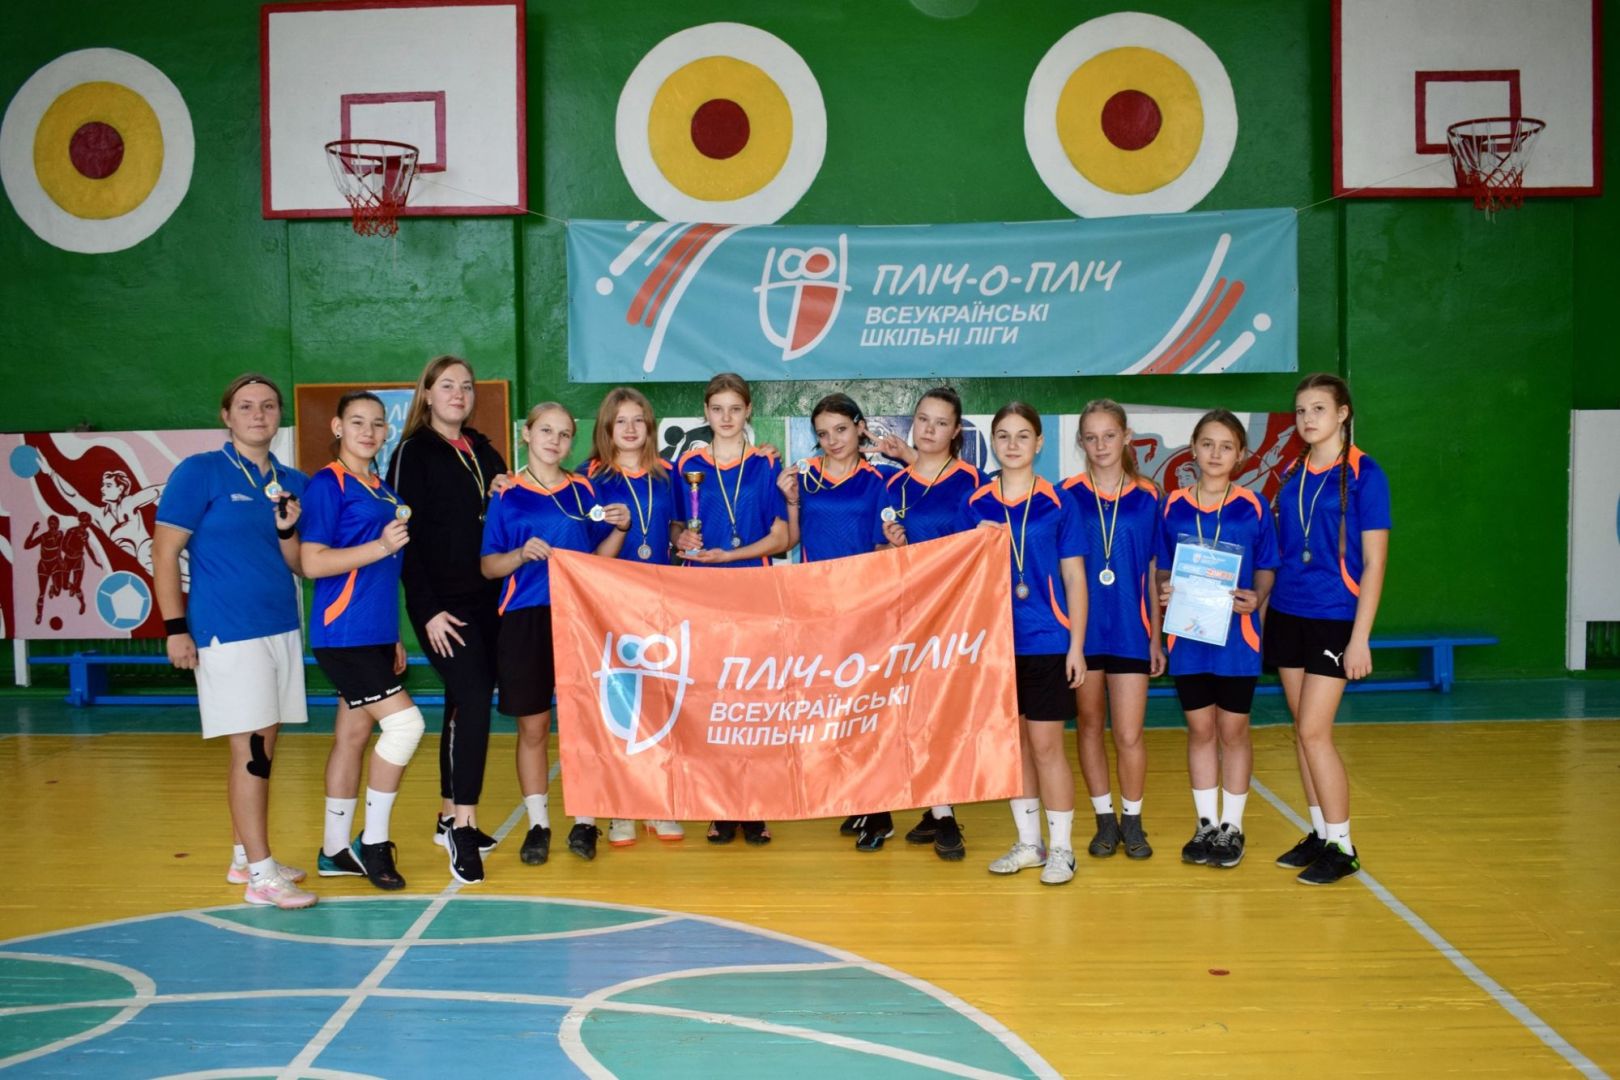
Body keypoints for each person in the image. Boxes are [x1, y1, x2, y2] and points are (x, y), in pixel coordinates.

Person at [153, 373, 316, 909]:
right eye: (246, 406)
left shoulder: (291, 481)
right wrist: (175, 628)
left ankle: (245, 856)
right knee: (251, 753)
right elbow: (163, 552)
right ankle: (262, 878)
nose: (258, 414)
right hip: (227, 632)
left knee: (261, 747)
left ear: (279, 416)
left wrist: (291, 529)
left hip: (280, 627)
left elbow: (302, 563)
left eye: (268, 405)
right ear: (226, 415)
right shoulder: (199, 472)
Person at [482, 403, 631, 866]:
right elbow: (489, 566)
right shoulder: (506, 494)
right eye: (546, 430)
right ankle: (538, 824)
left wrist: (622, 528)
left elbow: (598, 561)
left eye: (564, 434)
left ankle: (585, 821)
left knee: (583, 723)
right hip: (524, 619)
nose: (555, 440)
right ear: (526, 434)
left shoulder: (584, 489)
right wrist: (520, 554)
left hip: (579, 618)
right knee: (533, 726)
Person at [386, 355, 509, 884]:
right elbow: (405, 538)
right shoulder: (412, 452)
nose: (459, 393)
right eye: (447, 385)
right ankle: (464, 826)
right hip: (443, 605)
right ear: (428, 394)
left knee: (463, 703)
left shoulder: (484, 449)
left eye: (466, 386)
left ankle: (445, 814)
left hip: (488, 600)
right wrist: (427, 609)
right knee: (474, 698)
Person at [1264, 374, 1390, 885]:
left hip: (1335, 617)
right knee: (1302, 730)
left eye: (1318, 408)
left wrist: (1360, 638)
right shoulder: (1292, 472)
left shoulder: (1365, 474)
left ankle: (1343, 845)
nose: (1307, 418)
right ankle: (1320, 833)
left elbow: (1375, 564)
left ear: (1342, 413)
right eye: (1300, 410)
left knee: (1315, 732)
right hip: (1288, 613)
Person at [301, 392, 427, 891]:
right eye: (357, 422)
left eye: (377, 423)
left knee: (352, 737)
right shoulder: (327, 484)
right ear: (337, 427)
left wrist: (392, 635)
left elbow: (385, 574)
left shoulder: (382, 489)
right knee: (406, 726)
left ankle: (334, 850)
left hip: (373, 634)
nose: (368, 432)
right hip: (343, 633)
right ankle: (374, 842)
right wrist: (379, 545)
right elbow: (312, 562)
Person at [969, 403, 1088, 886]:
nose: (1013, 444)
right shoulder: (976, 503)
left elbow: (1075, 578)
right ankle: (1029, 843)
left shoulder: (1059, 502)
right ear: (993, 443)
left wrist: (1076, 646)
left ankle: (1062, 849)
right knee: (1014, 749)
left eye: (1023, 436)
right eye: (1003, 435)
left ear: (1039, 442)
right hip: (997, 644)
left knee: (1046, 746)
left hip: (1048, 641)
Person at [671, 372, 791, 845]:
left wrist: (730, 556)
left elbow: (782, 537)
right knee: (712, 701)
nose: (726, 418)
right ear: (705, 412)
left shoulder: (766, 463)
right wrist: (681, 537)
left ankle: (754, 804)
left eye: (735, 409)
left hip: (752, 590)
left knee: (754, 701)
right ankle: (721, 805)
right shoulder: (687, 465)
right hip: (702, 593)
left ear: (748, 411)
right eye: (717, 409)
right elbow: (675, 525)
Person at [1156, 410, 1279, 871]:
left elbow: (1267, 566)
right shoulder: (1172, 505)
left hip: (1237, 640)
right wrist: (1165, 588)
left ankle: (1233, 826)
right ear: (1193, 448)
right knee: (1201, 731)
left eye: (1226, 446)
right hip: (1189, 638)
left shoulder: (1253, 506)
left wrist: (1257, 596)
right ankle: (1206, 823)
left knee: (1233, 731)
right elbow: (1161, 566)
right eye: (1207, 444)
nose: (1215, 453)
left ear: (1240, 455)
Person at [778, 392, 900, 851]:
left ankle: (880, 811)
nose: (833, 440)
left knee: (867, 708)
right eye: (823, 434)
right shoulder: (804, 478)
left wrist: (891, 549)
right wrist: (791, 502)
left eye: (841, 430)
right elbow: (790, 540)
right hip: (817, 610)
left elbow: (883, 547)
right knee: (836, 709)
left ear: (860, 427)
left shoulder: (879, 480)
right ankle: (861, 797)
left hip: (865, 609)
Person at [872, 386, 980, 861]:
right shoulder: (893, 485)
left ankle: (945, 814)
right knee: (915, 713)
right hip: (908, 613)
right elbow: (878, 555)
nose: (929, 429)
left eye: (940, 422)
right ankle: (939, 808)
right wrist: (892, 546)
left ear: (955, 431)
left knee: (944, 713)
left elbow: (979, 549)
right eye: (922, 419)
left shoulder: (972, 481)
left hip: (955, 612)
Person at [584, 386, 686, 847]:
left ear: (650, 427)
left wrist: (682, 538)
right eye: (620, 420)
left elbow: (676, 527)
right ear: (607, 428)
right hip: (608, 603)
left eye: (638, 420)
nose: (629, 428)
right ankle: (621, 806)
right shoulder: (590, 478)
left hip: (660, 599)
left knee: (660, 700)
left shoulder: (669, 475)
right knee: (618, 704)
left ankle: (657, 802)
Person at [1063, 400, 1164, 861]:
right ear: (1081, 442)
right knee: (1088, 726)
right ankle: (1105, 820)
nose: (1100, 445)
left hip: (1130, 631)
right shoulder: (1066, 495)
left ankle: (1133, 821)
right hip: (1083, 635)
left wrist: (1156, 636)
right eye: (1091, 437)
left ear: (1126, 436)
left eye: (1109, 435)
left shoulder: (1149, 495)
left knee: (1128, 733)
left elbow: (1155, 569)